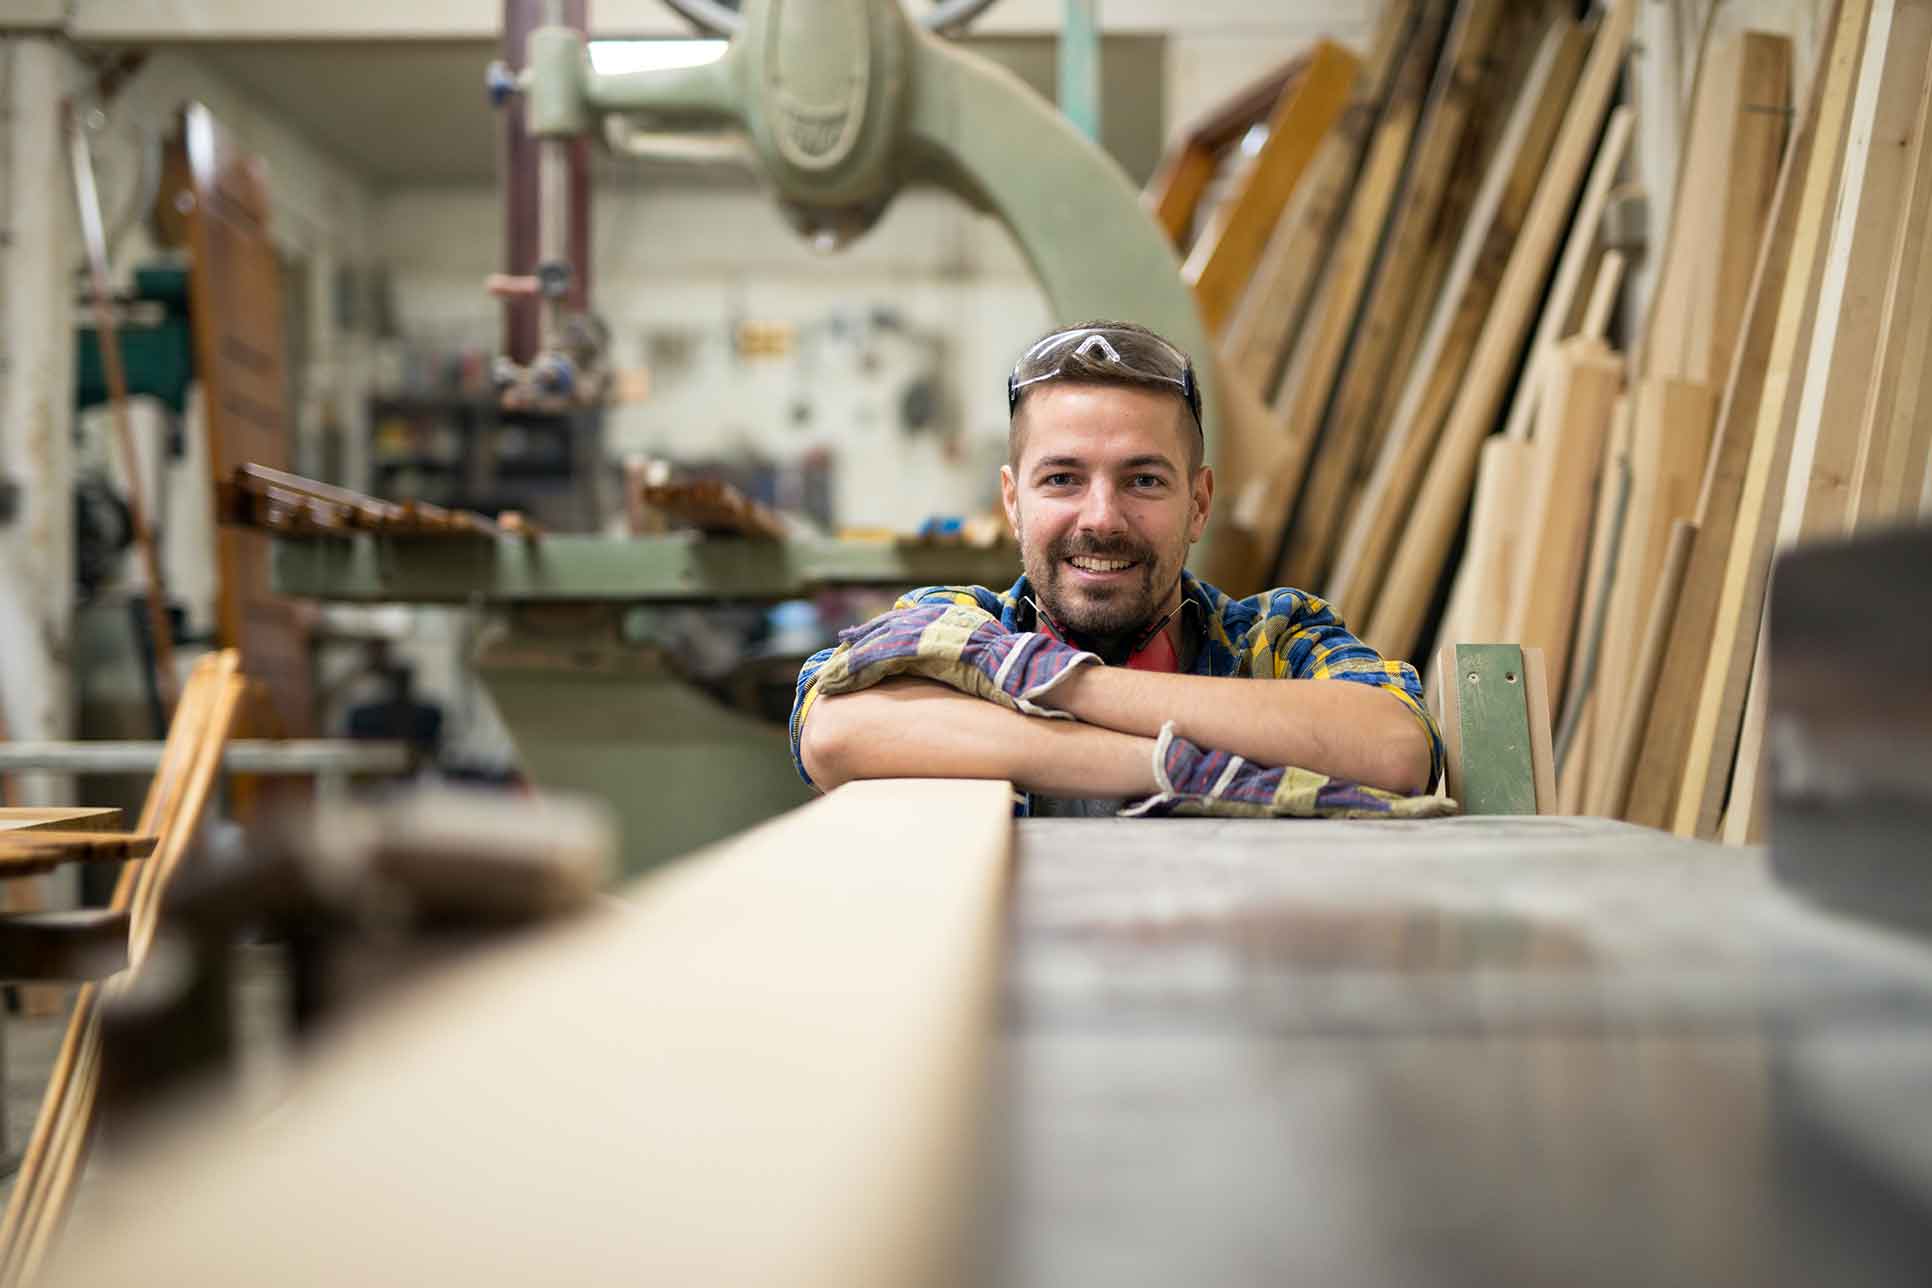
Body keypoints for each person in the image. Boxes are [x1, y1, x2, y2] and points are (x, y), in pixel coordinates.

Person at [789, 320, 1443, 818]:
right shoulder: (963, 624)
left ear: (1198, 503)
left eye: (1144, 480)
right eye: (1063, 478)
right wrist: (1165, 765)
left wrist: (1061, 687)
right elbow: (835, 731)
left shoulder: (1271, 640)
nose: (1101, 518)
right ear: (1013, 503)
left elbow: (1396, 747)